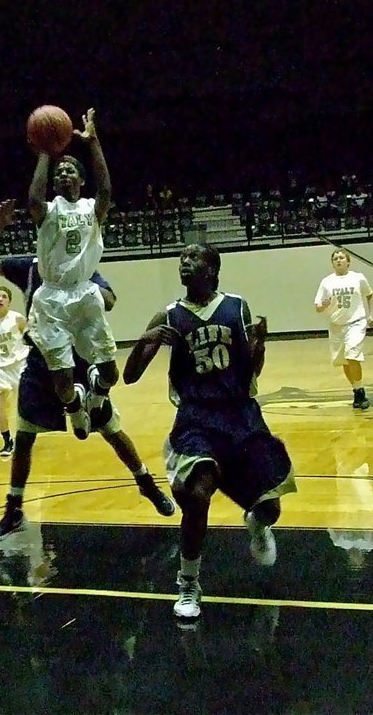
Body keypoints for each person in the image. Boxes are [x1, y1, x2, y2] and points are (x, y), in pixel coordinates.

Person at [0, 200, 175, 542]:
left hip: (80, 359)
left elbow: (110, 299)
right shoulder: (30, 266)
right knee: (24, 438)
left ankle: (146, 483)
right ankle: (14, 507)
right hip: (41, 361)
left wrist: (80, 293)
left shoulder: (81, 266)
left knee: (112, 430)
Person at [123, 244, 296, 622]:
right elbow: (130, 376)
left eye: (194, 258)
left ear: (213, 269)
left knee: (270, 507)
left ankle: (257, 523)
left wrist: (260, 343)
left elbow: (252, 369)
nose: (185, 262)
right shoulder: (168, 315)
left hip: (241, 416)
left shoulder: (237, 306)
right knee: (196, 492)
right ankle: (189, 583)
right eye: (182, 258)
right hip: (197, 418)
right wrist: (146, 340)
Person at [27, 108, 118, 441]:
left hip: (85, 293)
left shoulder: (91, 208)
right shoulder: (49, 210)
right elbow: (33, 197)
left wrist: (93, 142)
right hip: (51, 299)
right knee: (63, 383)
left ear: (80, 180)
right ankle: (74, 405)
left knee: (111, 373)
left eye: (70, 170)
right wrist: (44, 153)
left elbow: (106, 189)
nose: (64, 173)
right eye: (60, 171)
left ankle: (95, 390)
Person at [314, 249, 373, 410]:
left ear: (348, 261)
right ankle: (356, 389)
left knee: (352, 354)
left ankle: (360, 391)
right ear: (332, 263)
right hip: (336, 325)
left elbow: (369, 295)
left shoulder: (358, 278)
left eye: (341, 258)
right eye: (335, 258)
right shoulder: (327, 282)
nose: (338, 260)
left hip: (356, 321)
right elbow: (318, 307)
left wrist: (370, 315)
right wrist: (322, 306)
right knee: (344, 361)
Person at [0, 284, 28, 458]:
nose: (0, 299)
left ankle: (25, 437)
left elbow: (31, 339)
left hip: (19, 364)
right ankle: (7, 440)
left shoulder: (17, 319)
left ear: (9, 301)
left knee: (24, 405)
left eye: (4, 296)